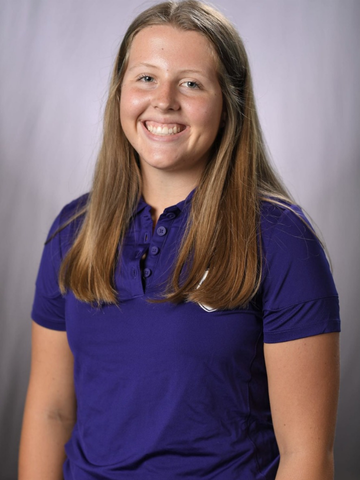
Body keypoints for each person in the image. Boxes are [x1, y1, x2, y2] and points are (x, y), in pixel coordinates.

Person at [18, 1, 340, 479]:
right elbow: (51, 414)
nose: (164, 99)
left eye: (191, 83)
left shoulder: (283, 239)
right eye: (146, 77)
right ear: (120, 92)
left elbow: (306, 455)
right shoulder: (73, 231)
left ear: (230, 103)